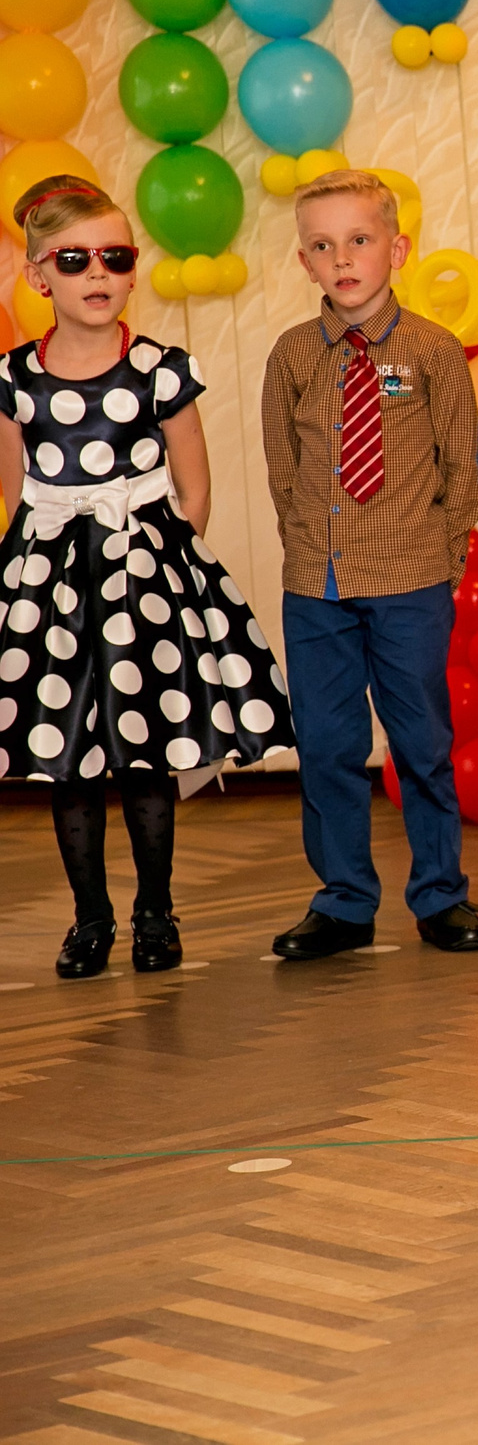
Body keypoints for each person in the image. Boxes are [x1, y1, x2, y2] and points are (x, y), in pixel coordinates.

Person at [0, 176, 292, 978]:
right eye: (75, 259)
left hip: (144, 579)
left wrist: (163, 567)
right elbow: (18, 490)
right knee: (69, 751)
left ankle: (155, 912)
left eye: (115, 257)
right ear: (38, 276)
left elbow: (193, 488)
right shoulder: (16, 378)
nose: (98, 274)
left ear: (132, 269)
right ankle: (89, 917)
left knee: (143, 747)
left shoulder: (159, 370)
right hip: (56, 585)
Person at [260, 170, 478, 959]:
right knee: (326, 744)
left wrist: (440, 560)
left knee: (420, 740)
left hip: (410, 582)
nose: (342, 258)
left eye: (358, 240)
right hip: (316, 588)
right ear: (304, 261)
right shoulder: (293, 356)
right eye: (323, 246)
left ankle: (441, 896)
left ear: (397, 248)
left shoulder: (431, 351)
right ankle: (344, 901)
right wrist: (306, 553)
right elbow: (283, 470)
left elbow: (461, 470)